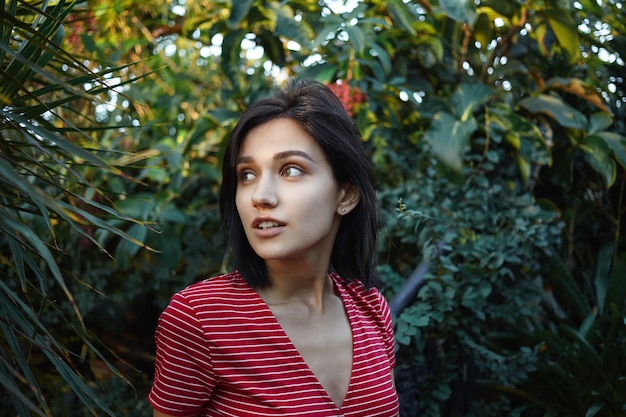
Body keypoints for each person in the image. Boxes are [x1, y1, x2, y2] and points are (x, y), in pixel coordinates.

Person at [148, 79, 399, 417]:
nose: (260, 196)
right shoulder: (200, 319)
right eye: (247, 175)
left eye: (290, 170)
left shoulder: (372, 310)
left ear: (346, 194)